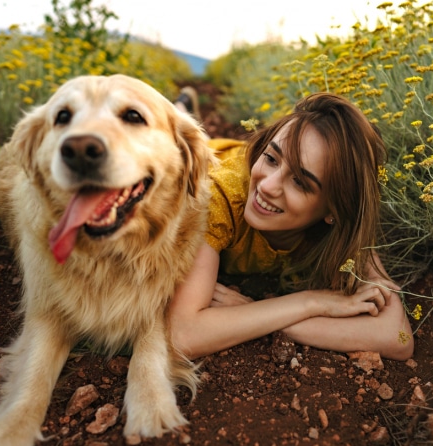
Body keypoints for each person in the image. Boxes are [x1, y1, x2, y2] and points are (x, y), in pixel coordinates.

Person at [169, 92, 413, 361]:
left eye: (300, 182)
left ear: (334, 209)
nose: (267, 185)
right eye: (272, 158)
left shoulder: (345, 234)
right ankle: (181, 108)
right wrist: (313, 302)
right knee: (184, 140)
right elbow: (182, 334)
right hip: (207, 163)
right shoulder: (219, 199)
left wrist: (257, 310)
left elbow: (398, 337)